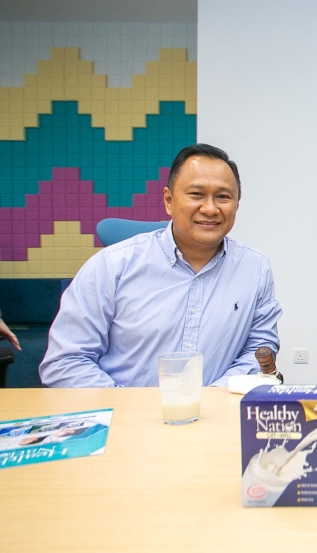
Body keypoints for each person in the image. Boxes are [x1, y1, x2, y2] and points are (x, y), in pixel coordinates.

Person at [40, 144, 282, 388]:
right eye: (197, 194)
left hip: (215, 418)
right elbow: (66, 362)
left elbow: (258, 350)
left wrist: (211, 400)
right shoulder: (112, 266)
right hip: (124, 419)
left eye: (223, 197)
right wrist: (133, 410)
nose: (210, 208)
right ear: (169, 200)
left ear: (236, 206)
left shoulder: (255, 268)